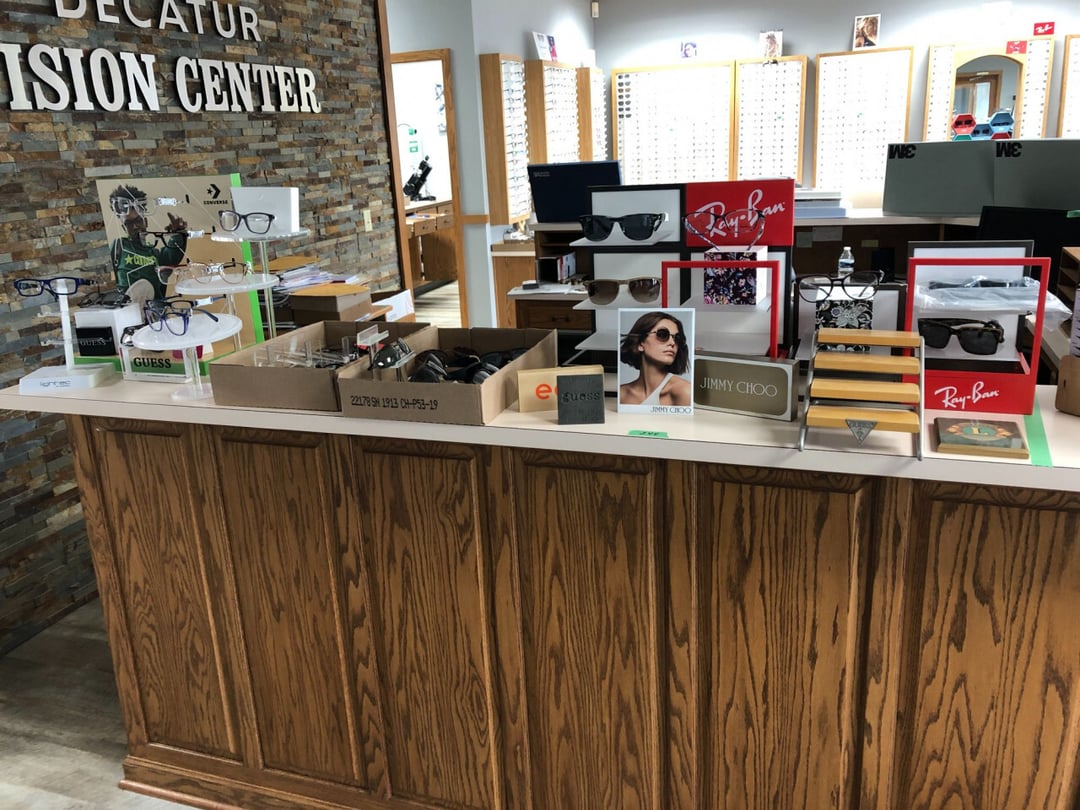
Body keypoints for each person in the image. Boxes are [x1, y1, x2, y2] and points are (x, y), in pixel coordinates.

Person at [108, 184, 188, 304]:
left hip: (153, 310)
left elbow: (173, 256)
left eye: (138, 221)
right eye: (129, 224)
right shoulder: (118, 247)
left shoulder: (154, 253)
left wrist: (178, 233)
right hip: (127, 309)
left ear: (145, 222)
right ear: (124, 228)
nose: (135, 226)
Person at [619, 311, 692, 406]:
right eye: (662, 334)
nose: (672, 343)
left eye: (677, 338)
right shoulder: (622, 394)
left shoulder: (684, 391)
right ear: (640, 343)